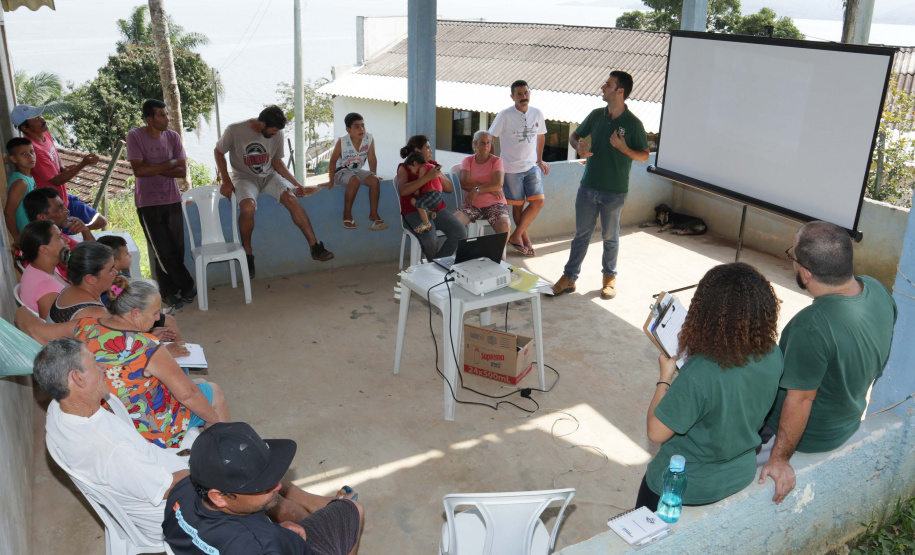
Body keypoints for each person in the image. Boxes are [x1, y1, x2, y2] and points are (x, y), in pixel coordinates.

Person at [758, 221, 897, 504]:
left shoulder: (810, 326)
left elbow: (800, 400)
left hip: (811, 436)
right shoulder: (878, 290)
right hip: (847, 420)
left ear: (806, 273)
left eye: (792, 256)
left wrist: (780, 458)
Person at [635, 263, 783, 510]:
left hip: (684, 488)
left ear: (704, 312)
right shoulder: (773, 353)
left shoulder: (700, 372)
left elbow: (655, 432)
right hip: (740, 474)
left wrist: (665, 378)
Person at [33, 337, 192, 543]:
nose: (104, 368)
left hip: (154, 473)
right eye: (95, 364)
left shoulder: (59, 409)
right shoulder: (111, 449)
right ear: (78, 379)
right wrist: (205, 471)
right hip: (171, 513)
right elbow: (167, 487)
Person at [163, 422, 364, 555]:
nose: (277, 485)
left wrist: (277, 530)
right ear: (219, 497)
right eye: (260, 485)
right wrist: (275, 539)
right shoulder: (263, 546)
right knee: (352, 509)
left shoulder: (181, 491)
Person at [74, 278, 229, 449]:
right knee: (214, 393)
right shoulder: (146, 345)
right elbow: (187, 394)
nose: (157, 318)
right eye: (155, 312)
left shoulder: (86, 326)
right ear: (135, 314)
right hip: (147, 426)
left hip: (110, 416)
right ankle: (225, 454)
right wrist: (212, 419)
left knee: (200, 384)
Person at [551, 71, 650, 300]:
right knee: (581, 236)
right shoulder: (596, 115)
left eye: (608, 84)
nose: (603, 87)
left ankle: (609, 279)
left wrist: (624, 148)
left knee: (610, 237)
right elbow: (574, 136)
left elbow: (644, 156)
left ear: (620, 91)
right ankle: (569, 278)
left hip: (614, 192)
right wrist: (579, 147)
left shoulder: (633, 124)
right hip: (588, 187)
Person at [215, 105, 334, 278]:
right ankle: (248, 255)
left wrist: (296, 184)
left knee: (292, 198)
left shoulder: (277, 134)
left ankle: (315, 247)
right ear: (262, 124)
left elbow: (277, 162)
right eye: (274, 130)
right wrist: (226, 180)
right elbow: (218, 152)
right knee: (248, 208)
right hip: (244, 178)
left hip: (270, 176)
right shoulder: (235, 130)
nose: (276, 133)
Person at [126, 99, 196, 308]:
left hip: (172, 198)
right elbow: (139, 171)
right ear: (150, 118)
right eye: (162, 115)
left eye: (166, 114)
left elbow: (182, 172)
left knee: (176, 248)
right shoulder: (135, 136)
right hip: (148, 202)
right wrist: (169, 164)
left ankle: (169, 292)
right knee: (161, 250)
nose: (167, 118)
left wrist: (154, 166)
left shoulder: (173, 137)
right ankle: (186, 286)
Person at [11, 103, 107, 230]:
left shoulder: (45, 134)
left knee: (100, 221)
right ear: (25, 127)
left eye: (39, 115)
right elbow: (57, 180)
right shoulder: (34, 151)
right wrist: (83, 163)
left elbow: (56, 160)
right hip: (53, 208)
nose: (42, 119)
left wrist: (65, 168)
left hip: (63, 198)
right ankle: (70, 234)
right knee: (68, 235)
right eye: (36, 118)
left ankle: (74, 233)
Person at [488, 80, 549, 257]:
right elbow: (490, 138)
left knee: (538, 202)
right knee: (517, 208)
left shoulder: (537, 113)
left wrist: (540, 160)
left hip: (531, 167)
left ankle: (515, 236)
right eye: (519, 94)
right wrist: (494, 166)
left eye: (526, 93)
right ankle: (525, 241)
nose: (524, 97)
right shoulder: (505, 115)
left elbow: (540, 137)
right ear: (512, 97)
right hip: (510, 169)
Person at [396, 135, 466, 260]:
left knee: (460, 232)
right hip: (414, 211)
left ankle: (436, 264)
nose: (431, 151)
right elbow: (403, 191)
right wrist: (426, 178)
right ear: (417, 151)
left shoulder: (433, 165)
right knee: (431, 243)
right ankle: (435, 267)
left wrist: (436, 172)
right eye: (427, 148)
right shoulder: (405, 167)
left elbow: (449, 189)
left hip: (436, 209)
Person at [325, 112, 386, 231]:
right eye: (356, 126)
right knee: (354, 181)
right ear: (348, 129)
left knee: (374, 181)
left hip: (355, 169)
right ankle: (347, 215)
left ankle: (374, 214)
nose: (361, 129)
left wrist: (374, 174)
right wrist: (331, 180)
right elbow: (332, 161)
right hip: (341, 170)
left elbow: (372, 157)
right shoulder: (342, 141)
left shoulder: (368, 138)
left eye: (363, 125)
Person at [454, 130, 511, 249]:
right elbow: (464, 183)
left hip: (495, 204)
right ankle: (457, 257)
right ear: (474, 144)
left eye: (488, 143)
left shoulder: (496, 161)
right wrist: (489, 187)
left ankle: (498, 257)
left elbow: (498, 184)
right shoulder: (467, 161)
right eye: (482, 143)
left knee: (505, 224)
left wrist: (477, 190)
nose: (486, 146)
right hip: (472, 205)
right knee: (454, 223)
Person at [15, 220, 69, 318]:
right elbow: (52, 328)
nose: (67, 240)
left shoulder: (38, 268)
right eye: (59, 237)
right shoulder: (46, 287)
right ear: (44, 249)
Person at [4, 137, 37, 241]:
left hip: (34, 232)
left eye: (32, 152)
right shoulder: (21, 183)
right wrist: (17, 238)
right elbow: (9, 212)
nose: (30, 156)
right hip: (27, 236)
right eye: (23, 154)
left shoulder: (28, 178)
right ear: (13, 159)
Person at [403, 152, 444, 233]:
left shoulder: (422, 168)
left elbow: (420, 181)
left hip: (433, 194)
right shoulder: (431, 167)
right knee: (413, 201)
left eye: (411, 169)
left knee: (419, 204)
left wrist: (416, 190)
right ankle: (428, 213)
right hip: (436, 195)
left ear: (415, 163)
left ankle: (426, 223)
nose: (411, 172)